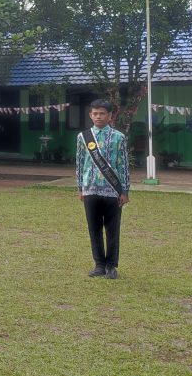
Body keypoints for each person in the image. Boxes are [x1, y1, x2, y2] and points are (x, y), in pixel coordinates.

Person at [76, 99, 130, 280]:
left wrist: (125, 191)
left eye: (102, 113)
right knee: (94, 228)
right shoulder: (83, 137)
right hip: (90, 189)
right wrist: (80, 188)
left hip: (113, 190)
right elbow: (80, 163)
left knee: (113, 229)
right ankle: (99, 264)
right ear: (90, 115)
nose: (98, 116)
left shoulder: (119, 137)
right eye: (95, 113)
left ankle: (111, 266)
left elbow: (123, 165)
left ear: (110, 115)